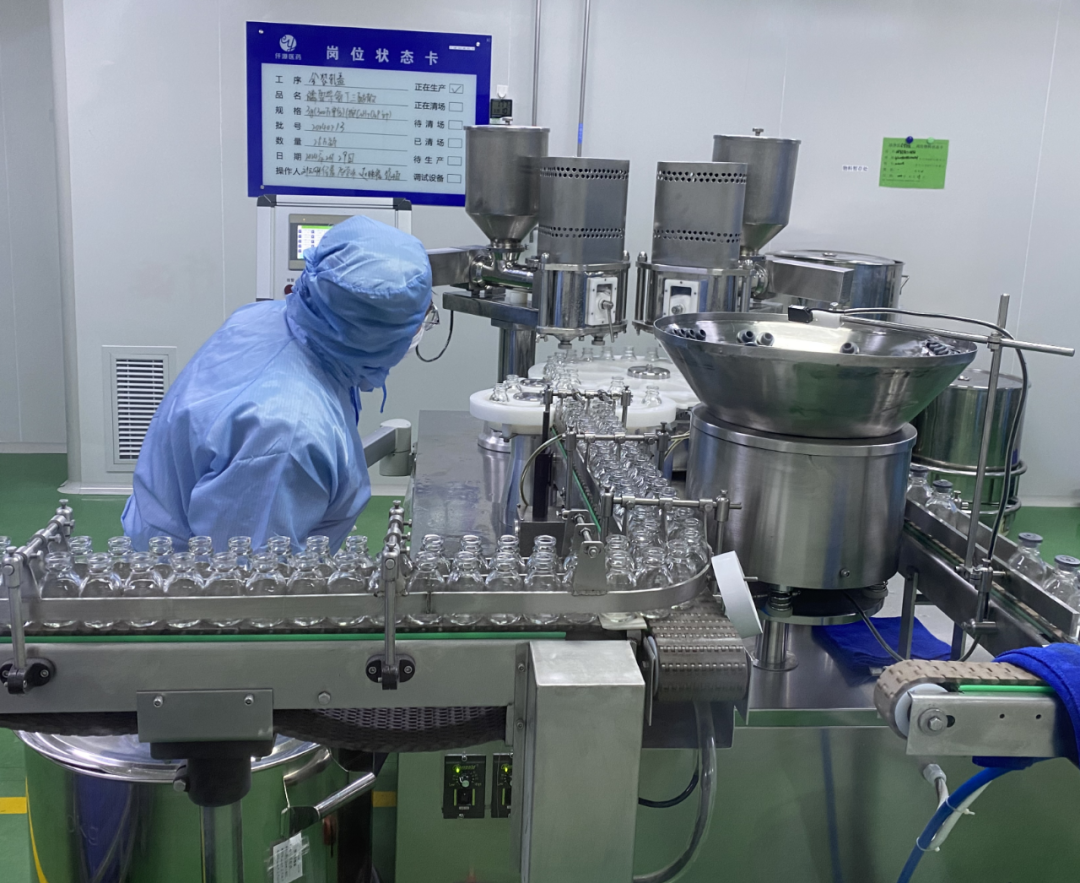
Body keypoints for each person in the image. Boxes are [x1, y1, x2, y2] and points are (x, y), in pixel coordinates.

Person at [121, 215, 432, 551]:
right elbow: (244, 573)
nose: (422, 328)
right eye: (418, 321)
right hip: (182, 576)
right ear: (377, 336)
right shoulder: (286, 435)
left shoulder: (268, 319)